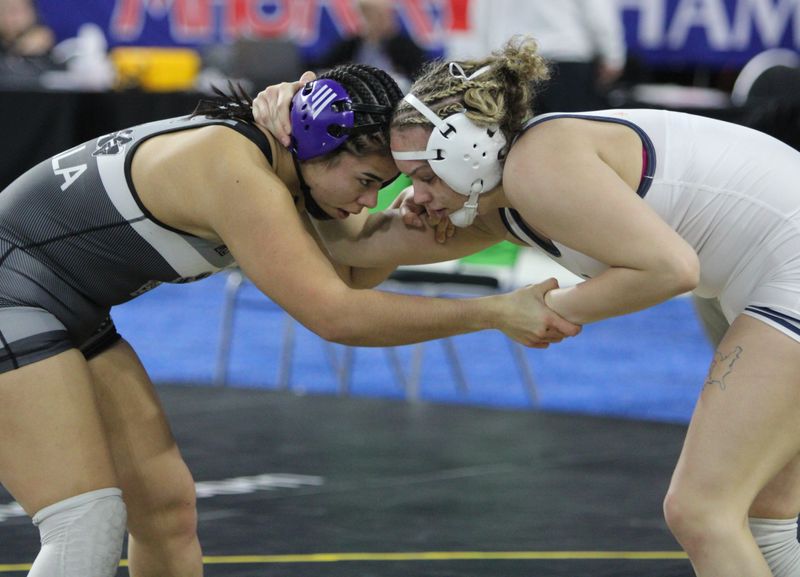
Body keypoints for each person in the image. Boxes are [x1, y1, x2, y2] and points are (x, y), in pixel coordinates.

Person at [0, 63, 580, 577]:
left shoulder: (281, 161)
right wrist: (495, 312)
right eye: (368, 183)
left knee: (164, 508)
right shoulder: (235, 172)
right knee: (85, 520)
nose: (372, 202)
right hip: (13, 297)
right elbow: (337, 314)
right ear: (317, 143)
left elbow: (356, 265)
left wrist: (469, 212)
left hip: (61, 304)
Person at [255, 37, 800, 577]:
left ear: (466, 153)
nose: (412, 195)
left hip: (783, 268)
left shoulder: (539, 164)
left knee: (702, 513)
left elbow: (671, 270)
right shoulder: (503, 201)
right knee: (767, 514)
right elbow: (353, 257)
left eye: (421, 175)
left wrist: (543, 307)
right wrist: (292, 135)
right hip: (767, 272)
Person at [446, 0, 626, 113]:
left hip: (514, 63)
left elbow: (481, 16)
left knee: (518, 141)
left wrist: (487, 62)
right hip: (565, 62)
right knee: (570, 139)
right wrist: (613, 55)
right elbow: (597, 10)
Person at [305, 0, 426, 91]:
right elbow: (322, 70)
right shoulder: (350, 45)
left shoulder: (404, 47)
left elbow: (420, 77)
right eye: (367, 16)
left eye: (380, 16)